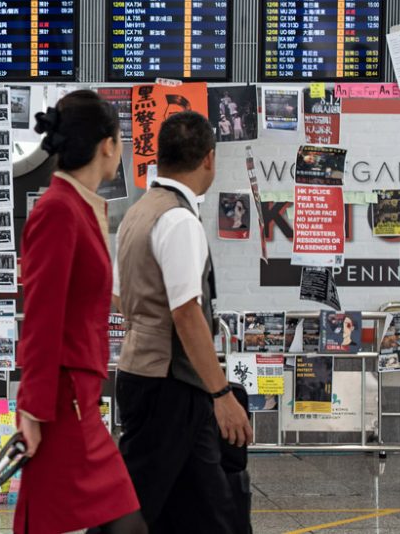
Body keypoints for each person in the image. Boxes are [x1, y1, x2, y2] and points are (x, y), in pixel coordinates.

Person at [114, 110, 252, 533]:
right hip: (170, 385)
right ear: (209, 159)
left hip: (146, 375)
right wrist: (222, 393)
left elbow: (121, 299)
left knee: (204, 508)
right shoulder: (178, 220)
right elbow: (187, 313)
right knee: (132, 506)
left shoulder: (137, 214)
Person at [15, 90, 144, 534]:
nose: (121, 149)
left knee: (109, 520)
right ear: (107, 144)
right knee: (117, 521)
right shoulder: (59, 210)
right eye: (120, 139)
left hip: (79, 395)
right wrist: (30, 409)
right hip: (61, 401)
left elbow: (75, 295)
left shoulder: (82, 207)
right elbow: (41, 313)